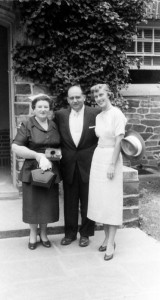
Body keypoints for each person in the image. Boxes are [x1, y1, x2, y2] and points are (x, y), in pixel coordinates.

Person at [11, 94, 61, 250]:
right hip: (32, 170)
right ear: (33, 109)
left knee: (47, 203)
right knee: (33, 203)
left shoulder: (53, 124)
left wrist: (57, 154)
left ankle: (44, 234)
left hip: (50, 170)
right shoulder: (27, 124)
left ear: (49, 109)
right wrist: (37, 155)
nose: (43, 109)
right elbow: (16, 146)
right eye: (39, 106)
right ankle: (33, 234)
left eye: (46, 107)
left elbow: (58, 144)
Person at [55, 85, 100, 247]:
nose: (75, 100)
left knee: (88, 201)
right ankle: (70, 234)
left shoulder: (95, 113)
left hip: (89, 164)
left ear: (84, 97)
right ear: (67, 99)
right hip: (68, 164)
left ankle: (86, 234)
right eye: (71, 98)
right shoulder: (60, 115)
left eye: (77, 97)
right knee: (70, 201)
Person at [87, 83, 127, 260]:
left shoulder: (117, 114)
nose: (99, 99)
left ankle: (111, 242)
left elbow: (119, 141)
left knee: (111, 200)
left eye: (101, 95)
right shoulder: (99, 116)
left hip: (112, 157)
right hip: (98, 158)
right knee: (101, 200)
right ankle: (105, 238)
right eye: (96, 97)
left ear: (108, 94)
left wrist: (112, 164)